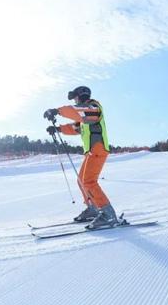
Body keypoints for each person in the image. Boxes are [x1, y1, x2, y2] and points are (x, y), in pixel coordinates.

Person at [43, 86, 118, 229]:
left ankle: (108, 215)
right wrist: (58, 129)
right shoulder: (85, 116)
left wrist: (58, 111)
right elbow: (75, 128)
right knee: (81, 180)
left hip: (98, 149)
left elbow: (80, 112)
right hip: (91, 151)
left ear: (81, 96)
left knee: (89, 181)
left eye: (75, 98)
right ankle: (93, 208)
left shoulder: (94, 108)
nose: (75, 101)